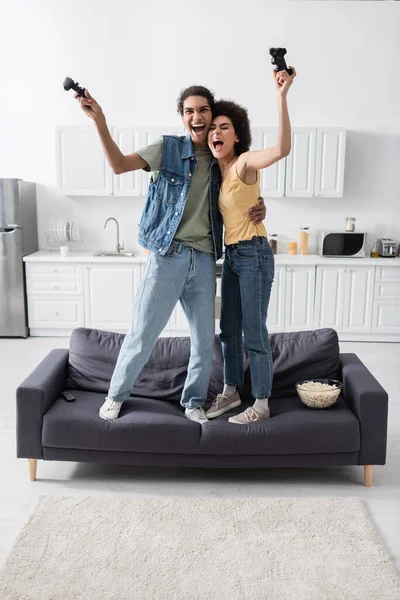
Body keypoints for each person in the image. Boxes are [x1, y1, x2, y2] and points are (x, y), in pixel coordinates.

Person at [74, 85, 266, 423]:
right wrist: (100, 121)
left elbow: (238, 196)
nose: (197, 116)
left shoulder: (223, 159)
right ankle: (116, 395)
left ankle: (193, 402)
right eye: (190, 111)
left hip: (205, 259)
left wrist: (259, 207)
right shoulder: (168, 149)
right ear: (183, 118)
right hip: (168, 255)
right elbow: (118, 165)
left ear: (212, 115)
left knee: (204, 340)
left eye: (203, 110)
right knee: (143, 333)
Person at [205, 66, 296, 424]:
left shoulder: (243, 162)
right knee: (227, 330)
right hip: (232, 257)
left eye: (224, 127)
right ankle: (231, 391)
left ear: (238, 136)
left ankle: (261, 403)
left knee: (253, 332)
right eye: (213, 128)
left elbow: (282, 149)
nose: (216, 131)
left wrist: (281, 97)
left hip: (255, 255)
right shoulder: (218, 171)